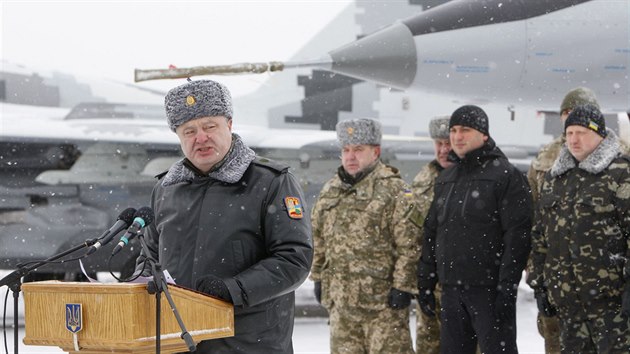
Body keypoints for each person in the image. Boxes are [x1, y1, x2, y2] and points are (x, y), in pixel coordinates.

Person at [134, 79, 313, 353]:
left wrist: (233, 289)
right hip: (178, 340)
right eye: (189, 131)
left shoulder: (270, 182)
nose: (201, 138)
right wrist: (142, 284)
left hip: (248, 342)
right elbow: (150, 257)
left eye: (209, 126)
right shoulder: (165, 189)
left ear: (229, 124)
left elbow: (294, 259)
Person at [417, 105, 532, 354]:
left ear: (484, 135)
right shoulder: (446, 179)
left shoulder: (505, 175)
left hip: (489, 292)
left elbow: (518, 236)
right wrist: (425, 279)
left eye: (465, 130)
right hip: (451, 291)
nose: (457, 137)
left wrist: (507, 286)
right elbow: (432, 232)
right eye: (454, 130)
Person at [309, 118, 421, 354]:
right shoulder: (331, 190)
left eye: (358, 150)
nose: (350, 156)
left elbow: (410, 245)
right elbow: (319, 237)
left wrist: (403, 287)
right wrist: (318, 276)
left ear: (375, 152)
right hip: (341, 307)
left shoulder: (396, 191)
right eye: (346, 150)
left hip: (382, 308)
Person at [528, 104, 630, 353]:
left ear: (600, 134)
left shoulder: (620, 173)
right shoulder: (555, 178)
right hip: (569, 306)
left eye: (581, 132)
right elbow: (541, 235)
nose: (574, 139)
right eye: (569, 133)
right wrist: (539, 283)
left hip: (612, 307)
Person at [411, 116, 452, 354]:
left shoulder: (474, 179)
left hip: (461, 286)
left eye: (448, 143)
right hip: (428, 283)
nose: (443, 149)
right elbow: (411, 234)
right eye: (439, 143)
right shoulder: (423, 180)